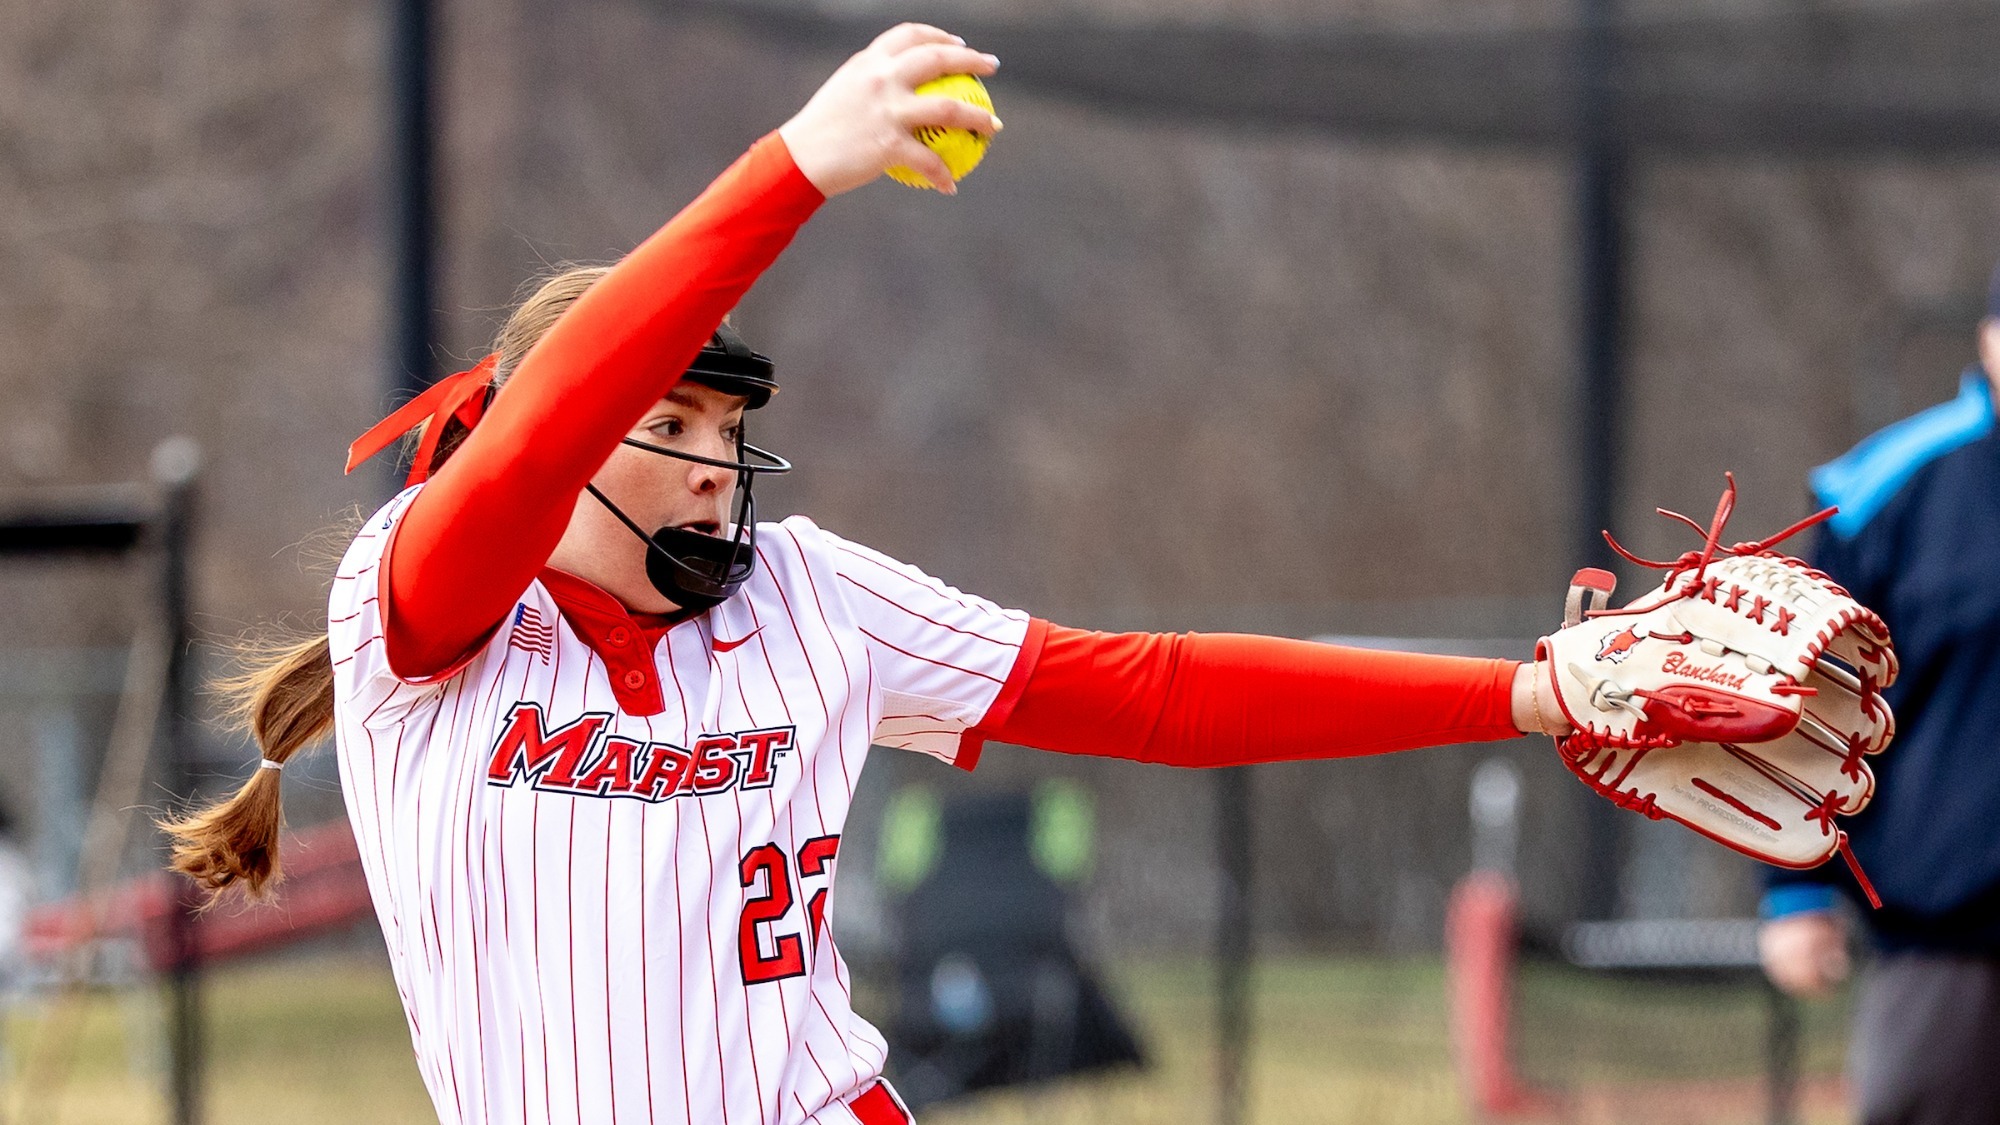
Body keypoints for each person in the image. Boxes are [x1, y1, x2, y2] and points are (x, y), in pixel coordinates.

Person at [155, 24, 1631, 1125]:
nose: (708, 464)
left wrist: (1521, 691)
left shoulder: (811, 598)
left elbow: (1154, 689)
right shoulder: (424, 627)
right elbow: (541, 432)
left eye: (728, 430)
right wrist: (792, 168)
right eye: (665, 422)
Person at [1757, 263, 2000, 1125]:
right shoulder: (1885, 490)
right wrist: (1794, 892)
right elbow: (1799, 695)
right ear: (1987, 336)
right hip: (1946, 938)